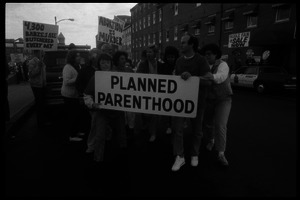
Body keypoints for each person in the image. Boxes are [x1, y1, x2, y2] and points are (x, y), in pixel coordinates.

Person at [171, 33, 212, 171]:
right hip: (180, 102)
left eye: (183, 42)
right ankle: (180, 156)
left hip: (197, 102)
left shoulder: (201, 60)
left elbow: (209, 79)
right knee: (178, 130)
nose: (180, 44)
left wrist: (193, 78)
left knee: (197, 130)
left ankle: (195, 154)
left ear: (191, 45)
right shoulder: (179, 61)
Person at [83, 53, 127, 162]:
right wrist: (93, 104)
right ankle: (98, 160)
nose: (105, 64)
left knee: (122, 135)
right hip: (101, 111)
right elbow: (87, 95)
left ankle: (123, 159)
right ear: (99, 64)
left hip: (117, 111)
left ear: (111, 63)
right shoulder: (95, 77)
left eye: (107, 62)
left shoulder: (119, 76)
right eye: (102, 62)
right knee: (99, 136)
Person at [200, 43, 233, 167]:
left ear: (216, 54)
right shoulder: (203, 66)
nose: (207, 56)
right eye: (205, 54)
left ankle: (221, 153)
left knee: (220, 125)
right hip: (209, 99)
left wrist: (210, 76)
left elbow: (221, 77)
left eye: (209, 54)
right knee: (208, 124)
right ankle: (211, 140)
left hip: (223, 99)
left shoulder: (223, 64)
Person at [135, 45, 164, 142]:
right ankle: (145, 125)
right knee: (145, 113)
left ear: (155, 54)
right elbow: (138, 77)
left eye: (150, 52)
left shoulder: (160, 65)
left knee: (154, 114)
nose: (148, 54)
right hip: (145, 92)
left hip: (156, 93)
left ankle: (153, 133)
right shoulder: (142, 64)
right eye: (147, 52)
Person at [61, 49, 83, 142]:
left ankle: (76, 131)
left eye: (79, 56)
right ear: (73, 58)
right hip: (68, 95)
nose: (79, 57)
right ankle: (71, 135)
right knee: (72, 115)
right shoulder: (67, 67)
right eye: (77, 56)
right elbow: (67, 81)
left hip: (75, 95)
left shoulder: (78, 66)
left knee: (76, 114)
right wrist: (78, 78)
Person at [161, 46, 180, 135]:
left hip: (177, 92)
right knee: (168, 110)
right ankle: (168, 126)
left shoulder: (179, 66)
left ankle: (177, 125)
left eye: (172, 57)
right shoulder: (163, 66)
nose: (170, 59)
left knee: (177, 109)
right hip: (167, 92)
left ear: (176, 57)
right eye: (168, 57)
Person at [28, 50, 47, 129]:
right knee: (39, 105)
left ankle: (43, 121)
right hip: (36, 86)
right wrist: (38, 66)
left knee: (42, 104)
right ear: (37, 52)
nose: (43, 53)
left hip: (42, 85)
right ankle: (40, 123)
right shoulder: (32, 62)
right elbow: (31, 74)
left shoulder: (40, 61)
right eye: (41, 52)